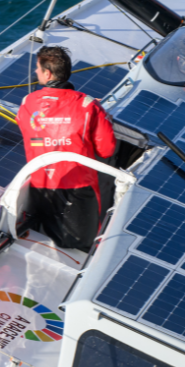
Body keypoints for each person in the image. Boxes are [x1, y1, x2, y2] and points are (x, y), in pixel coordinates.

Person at [17, 46, 116, 251]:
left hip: (39, 187)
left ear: (48, 73)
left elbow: (27, 128)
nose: (35, 72)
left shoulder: (27, 103)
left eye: (38, 68)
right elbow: (107, 150)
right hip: (78, 190)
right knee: (80, 249)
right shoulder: (88, 106)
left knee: (42, 244)